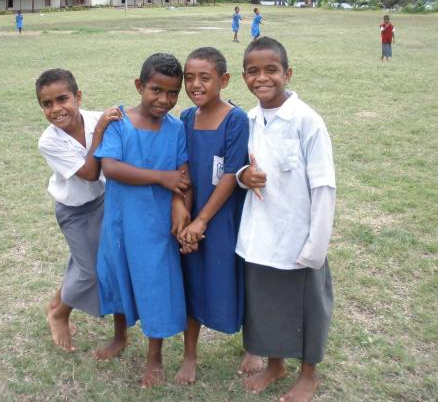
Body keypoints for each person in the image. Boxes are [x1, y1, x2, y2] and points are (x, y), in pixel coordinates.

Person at [236, 37, 336, 401]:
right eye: (253, 71)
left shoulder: (307, 121)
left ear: (287, 73)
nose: (261, 78)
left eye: (271, 70)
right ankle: (275, 364)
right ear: (244, 76)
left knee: (309, 307)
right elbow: (240, 169)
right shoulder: (247, 119)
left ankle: (308, 374)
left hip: (298, 234)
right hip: (259, 233)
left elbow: (324, 187)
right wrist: (243, 175)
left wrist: (316, 245)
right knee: (263, 303)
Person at [94, 53, 192, 388]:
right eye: (156, 90)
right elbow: (111, 168)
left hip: (156, 225)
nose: (164, 100)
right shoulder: (118, 122)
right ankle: (120, 335)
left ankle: (155, 357)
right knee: (118, 277)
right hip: (121, 222)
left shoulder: (176, 128)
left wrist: (180, 202)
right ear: (139, 86)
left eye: (172, 93)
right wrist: (160, 178)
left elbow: (182, 174)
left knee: (155, 287)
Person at [175, 47, 263, 385]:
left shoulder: (235, 119)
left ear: (223, 80)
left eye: (205, 78)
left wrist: (202, 221)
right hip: (192, 214)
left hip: (225, 217)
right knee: (192, 280)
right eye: (190, 78)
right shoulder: (185, 118)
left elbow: (229, 175)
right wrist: (184, 214)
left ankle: (253, 346)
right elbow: (181, 169)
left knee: (239, 279)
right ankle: (190, 354)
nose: (196, 84)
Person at [36, 68, 128, 355]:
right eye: (47, 104)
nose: (56, 109)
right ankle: (59, 312)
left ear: (78, 96)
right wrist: (100, 130)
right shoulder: (49, 141)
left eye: (62, 99)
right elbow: (89, 173)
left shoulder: (96, 118)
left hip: (106, 202)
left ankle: (120, 333)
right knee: (90, 271)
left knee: (108, 264)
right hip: (74, 211)